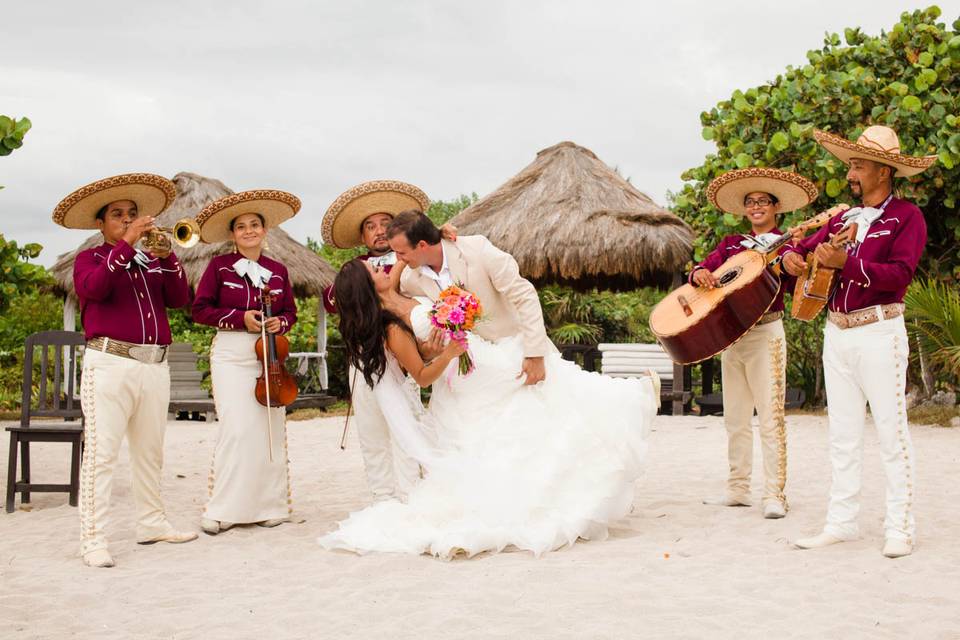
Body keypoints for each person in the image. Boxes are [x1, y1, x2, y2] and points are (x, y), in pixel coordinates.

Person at [318, 219, 659, 559]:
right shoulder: (401, 288)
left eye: (401, 253)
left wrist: (441, 233)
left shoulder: (464, 253)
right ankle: (520, 496)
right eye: (388, 260)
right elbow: (412, 348)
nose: (394, 261)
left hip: (494, 350)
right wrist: (438, 350)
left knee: (549, 401)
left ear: (421, 246)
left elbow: (522, 293)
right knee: (490, 435)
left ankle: (624, 405)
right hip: (457, 370)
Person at [782, 125, 936, 558]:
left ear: (883, 172)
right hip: (837, 332)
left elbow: (900, 276)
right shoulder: (843, 217)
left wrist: (847, 263)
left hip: (879, 331)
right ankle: (842, 522)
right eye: (851, 164)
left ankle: (900, 527)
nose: (851, 173)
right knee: (843, 435)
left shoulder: (907, 217)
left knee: (892, 433)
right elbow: (802, 251)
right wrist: (793, 260)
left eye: (858, 165)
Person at [53, 173, 198, 568]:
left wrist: (168, 257)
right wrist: (128, 243)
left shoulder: (152, 261)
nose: (129, 219)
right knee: (101, 455)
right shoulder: (91, 259)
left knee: (150, 453)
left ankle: (151, 523)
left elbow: (180, 298)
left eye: (132, 214)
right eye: (118, 215)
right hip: (110, 363)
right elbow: (95, 289)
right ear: (101, 225)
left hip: (155, 365)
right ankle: (92, 538)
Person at [694, 168, 819, 519]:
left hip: (767, 333)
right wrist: (699, 274)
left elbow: (797, 283)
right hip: (730, 336)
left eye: (762, 201)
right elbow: (703, 270)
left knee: (770, 416)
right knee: (734, 417)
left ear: (776, 207)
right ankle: (737, 488)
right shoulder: (731, 245)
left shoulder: (789, 245)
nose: (756, 206)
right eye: (750, 202)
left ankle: (774, 494)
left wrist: (794, 265)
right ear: (744, 210)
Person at [320, 181, 442, 502]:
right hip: (364, 358)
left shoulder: (416, 262)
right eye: (370, 227)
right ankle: (382, 499)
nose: (377, 232)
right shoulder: (355, 269)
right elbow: (333, 300)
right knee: (372, 434)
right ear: (362, 236)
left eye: (385, 225)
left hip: (401, 353)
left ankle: (412, 496)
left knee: (408, 426)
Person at [192, 190, 300, 535]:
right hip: (232, 355)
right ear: (233, 234)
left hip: (270, 354)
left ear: (265, 231)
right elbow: (200, 310)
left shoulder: (278, 271)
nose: (249, 231)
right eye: (242, 227)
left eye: (255, 225)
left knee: (269, 429)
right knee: (236, 430)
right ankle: (223, 508)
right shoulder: (219, 267)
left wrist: (278, 323)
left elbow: (290, 313)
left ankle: (271, 506)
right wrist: (241, 318)